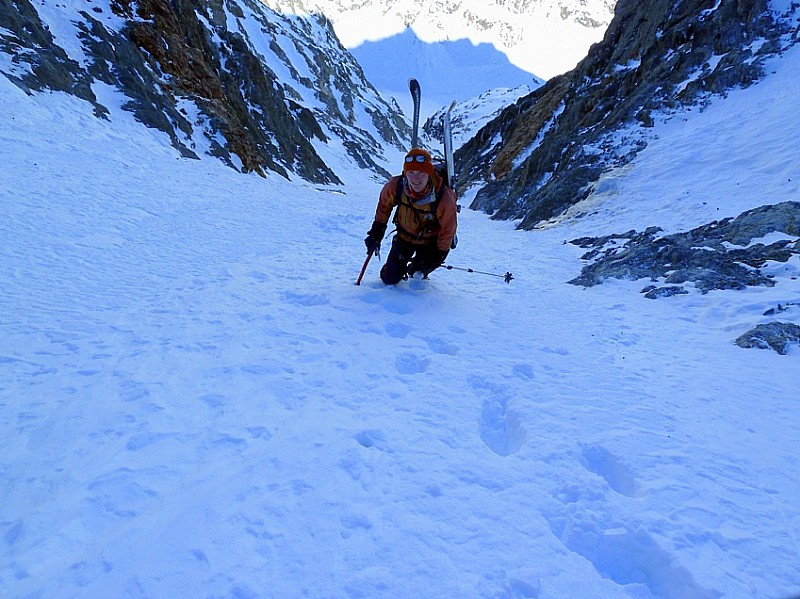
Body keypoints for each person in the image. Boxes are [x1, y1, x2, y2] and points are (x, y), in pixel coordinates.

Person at [364, 148, 458, 285]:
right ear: (405, 173)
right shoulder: (396, 186)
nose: (415, 179)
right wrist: (376, 232)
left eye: (421, 172)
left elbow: (448, 229)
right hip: (404, 237)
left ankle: (419, 267)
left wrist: (439, 254)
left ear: (429, 173)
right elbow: (384, 207)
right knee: (389, 278)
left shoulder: (444, 197)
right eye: (411, 173)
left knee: (418, 272)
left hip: (430, 242)